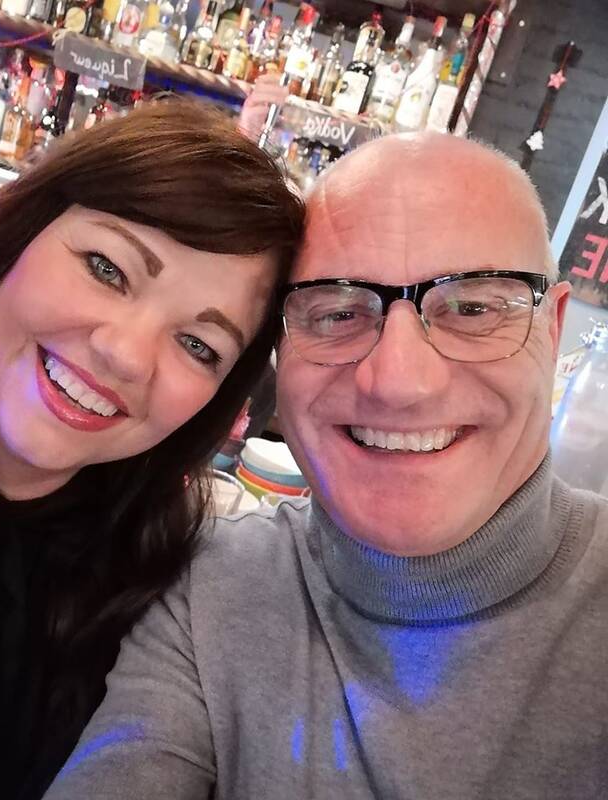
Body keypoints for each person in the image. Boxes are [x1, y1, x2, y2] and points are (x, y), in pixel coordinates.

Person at [43, 132, 608, 800]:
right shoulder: (210, 590)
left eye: (472, 308)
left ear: (552, 328)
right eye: (338, 312)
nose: (398, 381)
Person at [0, 101, 304, 800]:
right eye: (107, 268)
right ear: (17, 233)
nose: (125, 354)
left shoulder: (157, 621)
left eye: (198, 345)